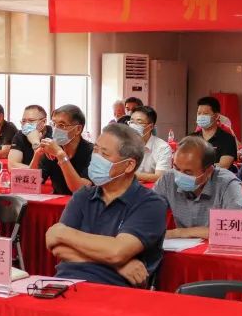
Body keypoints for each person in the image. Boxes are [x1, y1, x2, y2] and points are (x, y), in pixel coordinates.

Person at [47, 123, 168, 287]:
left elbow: (117, 252)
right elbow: (57, 247)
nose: (96, 157)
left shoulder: (151, 204)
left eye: (104, 154)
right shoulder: (83, 195)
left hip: (114, 289)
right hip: (65, 283)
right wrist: (117, 265)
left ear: (129, 165)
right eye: (95, 150)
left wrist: (62, 232)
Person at [154, 136, 242, 239]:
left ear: (209, 171)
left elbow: (241, 227)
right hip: (182, 246)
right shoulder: (168, 178)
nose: (179, 175)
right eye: (176, 168)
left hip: (218, 246)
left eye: (188, 172)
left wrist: (180, 232)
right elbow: (147, 212)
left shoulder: (227, 183)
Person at [34, 104, 92, 194]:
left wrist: (61, 155)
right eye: (54, 124)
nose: (55, 129)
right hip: (58, 201)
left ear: (78, 129)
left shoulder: (93, 152)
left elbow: (80, 190)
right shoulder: (51, 149)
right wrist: (37, 155)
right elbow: (31, 183)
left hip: (83, 202)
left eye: (61, 125)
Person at [129, 105, 171, 183]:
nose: (133, 126)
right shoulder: (125, 144)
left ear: (151, 126)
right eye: (131, 122)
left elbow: (161, 177)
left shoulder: (162, 147)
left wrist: (132, 176)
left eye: (139, 122)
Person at [192, 96, 238, 169]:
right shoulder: (191, 138)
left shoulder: (228, 139)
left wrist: (195, 167)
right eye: (199, 113)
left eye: (205, 113)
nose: (201, 116)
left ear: (216, 116)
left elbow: (224, 166)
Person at [7, 104, 51, 168]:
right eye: (24, 121)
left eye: (31, 121)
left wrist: (35, 143)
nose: (26, 124)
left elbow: (45, 168)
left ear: (44, 122)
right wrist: (32, 169)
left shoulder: (53, 135)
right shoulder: (20, 135)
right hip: (28, 174)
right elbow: (12, 166)